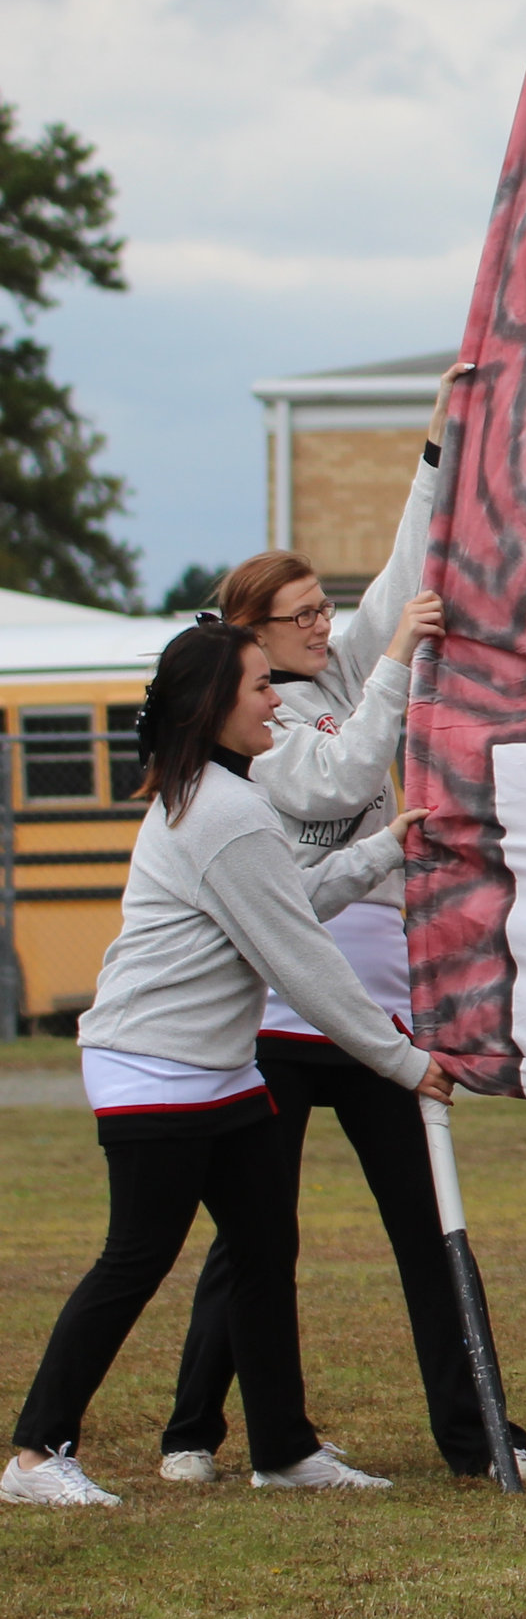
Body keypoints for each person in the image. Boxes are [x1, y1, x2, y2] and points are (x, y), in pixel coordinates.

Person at [161, 367, 526, 1487]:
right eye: (301, 617)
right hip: (278, 1015)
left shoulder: (342, 663)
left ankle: (476, 1435)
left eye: (328, 609)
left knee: (428, 1231)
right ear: (247, 638)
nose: (326, 626)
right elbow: (335, 780)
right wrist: (389, 669)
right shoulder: (252, 727)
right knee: (252, 1242)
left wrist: (437, 447)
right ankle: (194, 1431)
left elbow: (406, 570)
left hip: (378, 1003)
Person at [8, 622, 452, 1508]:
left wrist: (382, 847)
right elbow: (302, 960)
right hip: (155, 1066)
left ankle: (283, 1447)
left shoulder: (218, 796)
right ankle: (32, 1456)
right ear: (214, 706)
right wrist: (403, 1063)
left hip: (220, 1071)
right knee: (136, 1259)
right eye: (259, 687)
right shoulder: (225, 808)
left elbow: (286, 901)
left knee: (260, 1248)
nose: (277, 701)